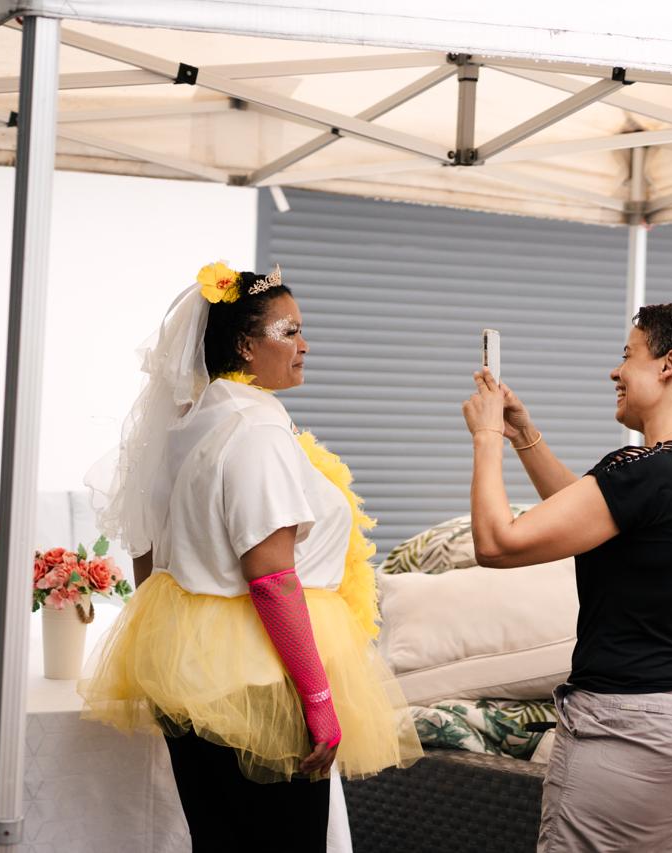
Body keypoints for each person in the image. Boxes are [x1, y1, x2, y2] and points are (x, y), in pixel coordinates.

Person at [79, 261, 421, 852]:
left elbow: (147, 553)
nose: (304, 345)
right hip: (261, 678)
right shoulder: (257, 429)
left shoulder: (187, 426)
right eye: (289, 331)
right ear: (244, 345)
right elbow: (271, 578)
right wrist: (319, 700)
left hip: (190, 673)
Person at [461, 302, 672, 852]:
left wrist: (485, 436)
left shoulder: (642, 471)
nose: (615, 371)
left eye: (628, 355)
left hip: (634, 727)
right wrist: (523, 435)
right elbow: (603, 516)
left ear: (669, 364)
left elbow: (496, 544)